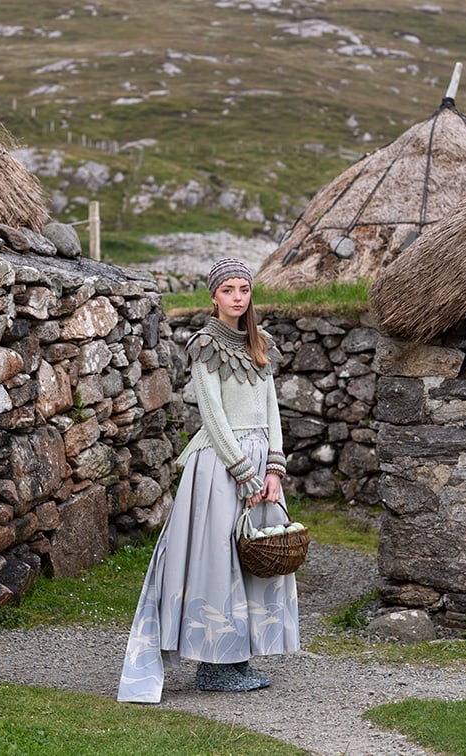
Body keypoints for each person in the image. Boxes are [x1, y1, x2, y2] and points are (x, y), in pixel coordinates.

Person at [117, 257, 299, 704]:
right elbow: (213, 415)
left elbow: (272, 409)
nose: (238, 297)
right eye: (229, 290)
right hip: (221, 465)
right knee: (217, 560)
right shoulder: (205, 345)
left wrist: (274, 469)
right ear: (213, 296)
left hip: (261, 461)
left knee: (255, 556)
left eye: (244, 289)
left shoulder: (261, 344)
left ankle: (237, 657)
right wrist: (244, 472)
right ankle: (214, 663)